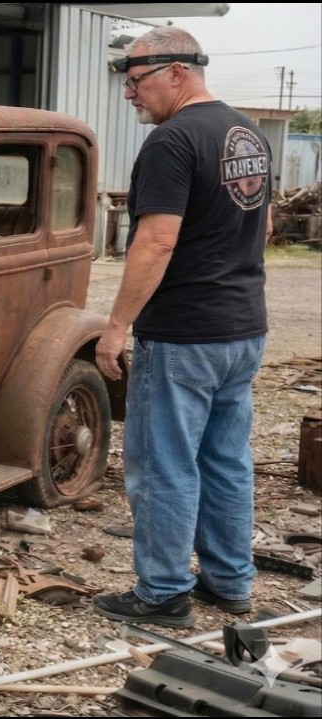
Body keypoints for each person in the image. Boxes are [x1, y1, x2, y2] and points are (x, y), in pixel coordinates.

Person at [91, 26, 273, 628]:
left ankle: (164, 592)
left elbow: (157, 241)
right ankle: (229, 581)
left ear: (177, 72)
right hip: (242, 329)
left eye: (136, 80)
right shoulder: (245, 132)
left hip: (185, 334)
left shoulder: (172, 141)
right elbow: (265, 227)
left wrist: (117, 326)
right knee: (226, 459)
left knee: (163, 462)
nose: (129, 94)